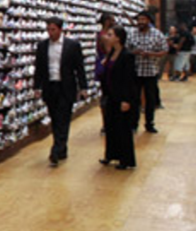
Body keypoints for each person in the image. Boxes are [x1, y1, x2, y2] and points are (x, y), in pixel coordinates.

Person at [34, 16, 88, 167]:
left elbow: (79, 68)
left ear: (60, 29)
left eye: (53, 29)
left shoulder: (73, 45)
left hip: (66, 86)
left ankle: (56, 150)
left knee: (63, 118)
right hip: (50, 86)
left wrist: (83, 87)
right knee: (55, 118)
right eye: (48, 30)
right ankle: (62, 148)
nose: (50, 33)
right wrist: (37, 87)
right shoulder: (42, 46)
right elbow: (39, 68)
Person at [99, 26, 137, 170]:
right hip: (110, 95)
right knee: (110, 126)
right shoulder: (111, 53)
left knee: (123, 128)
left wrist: (126, 100)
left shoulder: (127, 56)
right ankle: (110, 155)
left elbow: (129, 80)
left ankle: (125, 159)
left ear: (118, 38)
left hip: (121, 96)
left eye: (110, 35)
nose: (106, 37)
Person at [126, 10, 168, 134]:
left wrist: (151, 54)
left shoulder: (157, 34)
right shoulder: (131, 33)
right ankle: (133, 124)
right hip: (135, 71)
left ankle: (149, 123)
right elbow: (125, 50)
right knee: (134, 99)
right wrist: (134, 52)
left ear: (149, 21)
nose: (141, 22)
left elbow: (164, 50)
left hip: (151, 71)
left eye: (143, 19)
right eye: (139, 19)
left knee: (150, 99)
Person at [94, 13, 115, 135]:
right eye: (112, 20)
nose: (114, 22)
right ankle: (107, 124)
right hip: (107, 67)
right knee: (108, 95)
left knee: (106, 94)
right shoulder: (105, 37)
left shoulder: (100, 34)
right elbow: (109, 53)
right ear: (107, 21)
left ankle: (106, 124)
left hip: (102, 65)